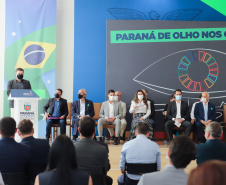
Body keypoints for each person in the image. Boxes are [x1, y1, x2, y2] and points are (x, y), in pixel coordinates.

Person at [74, 117, 109, 185]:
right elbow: (105, 170)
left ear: (79, 130)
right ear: (95, 130)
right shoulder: (103, 148)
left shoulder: (71, 147)